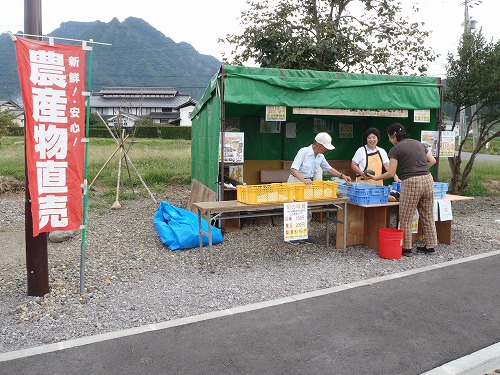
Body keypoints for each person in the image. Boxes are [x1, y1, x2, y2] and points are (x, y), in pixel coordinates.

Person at [366, 123, 438, 257]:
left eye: (389, 137)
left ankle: (406, 248)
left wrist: (376, 178)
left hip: (411, 182)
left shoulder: (396, 149)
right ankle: (431, 246)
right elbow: (432, 160)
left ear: (394, 135)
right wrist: (421, 170)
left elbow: (390, 172)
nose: (389, 140)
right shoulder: (419, 144)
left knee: (405, 217)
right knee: (427, 215)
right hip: (428, 179)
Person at [287, 132, 351, 245]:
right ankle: (292, 237)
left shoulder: (320, 156)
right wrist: (303, 180)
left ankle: (303, 235)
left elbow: (329, 169)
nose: (326, 149)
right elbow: (294, 169)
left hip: (307, 183)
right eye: (325, 147)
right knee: (295, 209)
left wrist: (342, 176)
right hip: (296, 182)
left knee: (307, 209)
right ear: (318, 145)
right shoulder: (303, 152)